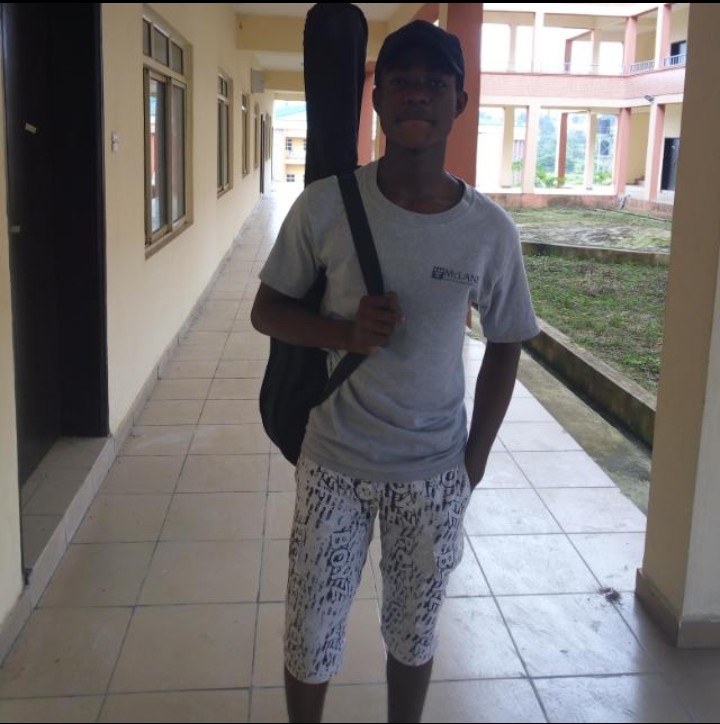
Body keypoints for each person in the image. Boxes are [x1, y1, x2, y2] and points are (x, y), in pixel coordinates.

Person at [251, 19, 539, 724]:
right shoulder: (325, 206)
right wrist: (343, 333)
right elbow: (267, 310)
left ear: (458, 103)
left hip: (434, 470)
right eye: (400, 82)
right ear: (377, 100)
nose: (416, 94)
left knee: (413, 630)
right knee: (311, 631)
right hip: (333, 461)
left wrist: (473, 462)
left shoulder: (488, 231)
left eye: (434, 83)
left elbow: (507, 342)